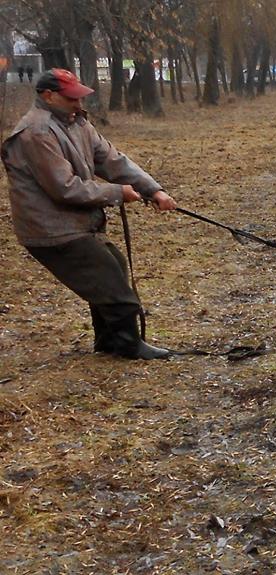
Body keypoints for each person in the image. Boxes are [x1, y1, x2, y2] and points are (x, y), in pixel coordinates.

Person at [2, 68, 178, 360]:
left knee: (115, 267)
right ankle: (128, 346)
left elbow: (113, 160)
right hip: (49, 229)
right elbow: (65, 188)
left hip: (75, 223)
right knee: (113, 284)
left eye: (79, 96)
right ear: (48, 96)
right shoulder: (36, 132)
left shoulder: (76, 122)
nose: (78, 103)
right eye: (71, 98)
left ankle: (108, 342)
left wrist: (153, 190)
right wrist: (116, 193)